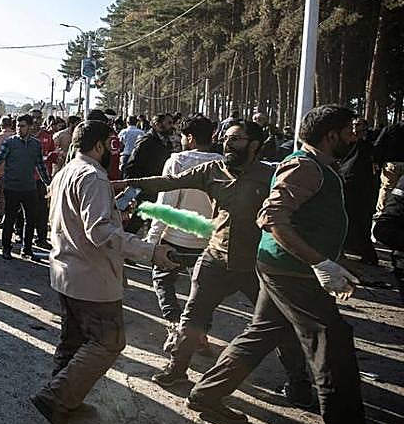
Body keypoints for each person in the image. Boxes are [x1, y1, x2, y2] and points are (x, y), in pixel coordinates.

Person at [186, 106, 376, 424]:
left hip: (287, 268)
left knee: (262, 333)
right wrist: (320, 263)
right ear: (331, 135)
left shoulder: (318, 165)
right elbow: (271, 217)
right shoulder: (305, 165)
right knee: (332, 346)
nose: (355, 138)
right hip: (293, 273)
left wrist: (332, 261)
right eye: (349, 131)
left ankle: (207, 393)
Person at [123, 120, 312, 403]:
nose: (227, 143)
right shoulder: (213, 170)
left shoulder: (271, 175)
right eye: (226, 138)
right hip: (215, 258)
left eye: (235, 139)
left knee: (278, 323)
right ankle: (177, 369)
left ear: (254, 145)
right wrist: (124, 184)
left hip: (255, 265)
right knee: (192, 317)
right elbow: (169, 182)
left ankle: (299, 383)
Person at [30, 120, 173, 424]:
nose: (113, 150)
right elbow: (99, 232)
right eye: (110, 144)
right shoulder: (93, 176)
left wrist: (116, 215)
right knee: (109, 341)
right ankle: (56, 397)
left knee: (74, 340)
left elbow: (81, 220)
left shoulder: (67, 171)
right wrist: (149, 251)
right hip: (91, 278)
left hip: (67, 272)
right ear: (98, 146)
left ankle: (66, 398)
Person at [141, 114, 221, 348]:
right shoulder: (222, 163)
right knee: (204, 290)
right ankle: (199, 333)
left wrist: (151, 241)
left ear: (190, 137)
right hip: (209, 241)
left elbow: (166, 204)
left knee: (163, 280)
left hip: (175, 240)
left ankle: (175, 325)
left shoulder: (177, 161)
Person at [0, 113, 50, 260]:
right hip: (12, 187)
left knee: (30, 220)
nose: (19, 129)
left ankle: (27, 250)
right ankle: (6, 248)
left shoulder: (35, 144)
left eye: (23, 126)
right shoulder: (10, 142)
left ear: (29, 127)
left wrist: (48, 184)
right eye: (18, 126)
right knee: (9, 219)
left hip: (29, 188)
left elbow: (40, 166)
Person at [338, 117, 378, 265]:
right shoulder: (345, 146)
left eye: (359, 125)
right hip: (349, 187)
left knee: (360, 221)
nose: (355, 128)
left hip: (362, 190)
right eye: (353, 125)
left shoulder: (368, 146)